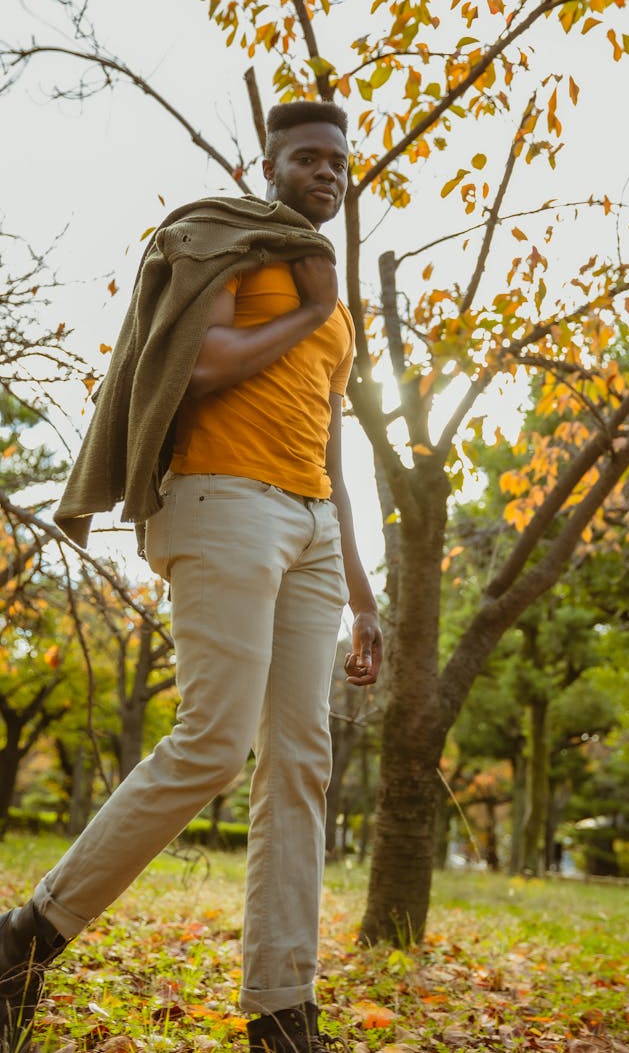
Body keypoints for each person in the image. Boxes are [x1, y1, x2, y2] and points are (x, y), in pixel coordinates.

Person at [0, 100, 382, 1053]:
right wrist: (306, 311)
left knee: (301, 762)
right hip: (222, 500)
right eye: (307, 158)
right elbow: (199, 363)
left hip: (312, 523)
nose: (327, 172)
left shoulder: (326, 290)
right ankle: (26, 936)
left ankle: (282, 1008)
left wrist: (366, 594)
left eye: (339, 161)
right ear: (271, 163)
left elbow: (331, 443)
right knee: (213, 742)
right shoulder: (227, 240)